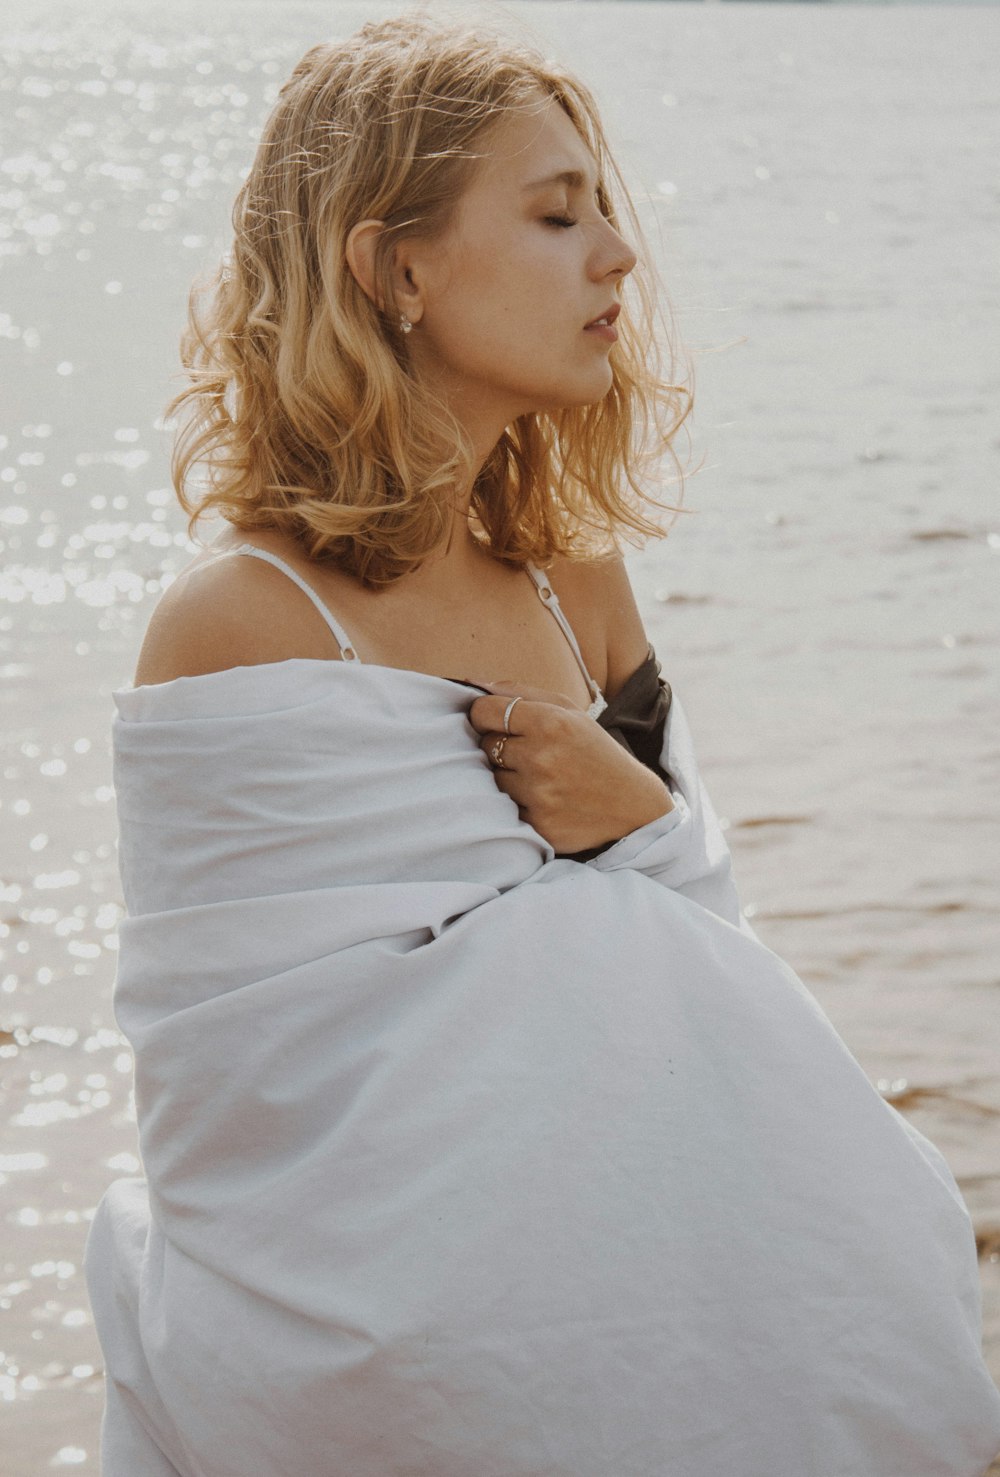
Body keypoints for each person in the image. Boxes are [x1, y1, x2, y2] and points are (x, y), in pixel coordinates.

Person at [84, 12, 1000, 1476]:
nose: (618, 255)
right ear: (396, 269)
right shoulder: (239, 620)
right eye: (556, 213)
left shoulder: (583, 587)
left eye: (607, 212)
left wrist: (635, 818)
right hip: (408, 1324)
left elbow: (707, 937)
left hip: (656, 1261)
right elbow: (247, 1094)